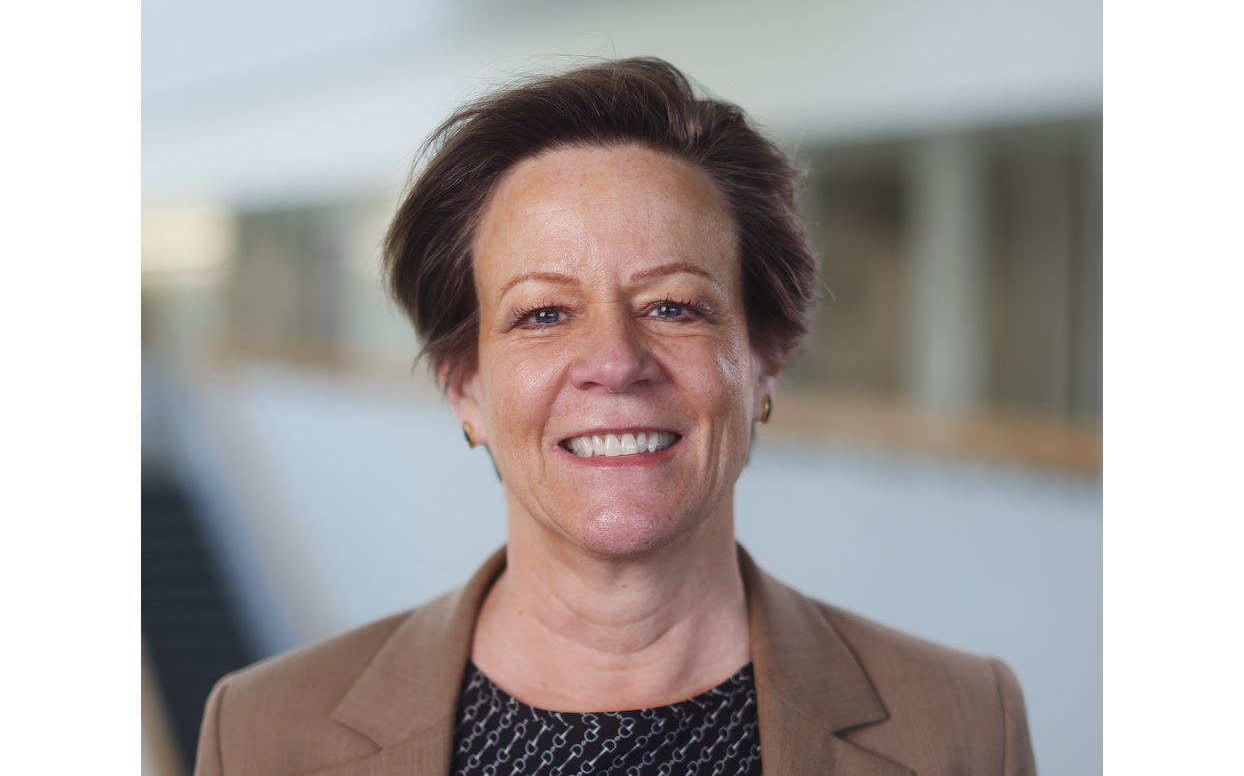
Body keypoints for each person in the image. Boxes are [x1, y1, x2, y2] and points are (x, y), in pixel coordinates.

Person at [194, 58, 1036, 776]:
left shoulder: (963, 725)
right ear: (465, 385)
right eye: (544, 314)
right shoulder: (265, 735)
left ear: (765, 359)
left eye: (674, 305)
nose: (615, 361)